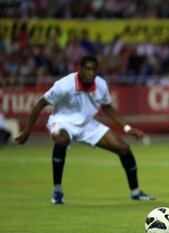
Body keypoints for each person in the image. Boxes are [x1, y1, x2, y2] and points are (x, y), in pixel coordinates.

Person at [15, 55, 155, 204]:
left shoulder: (101, 85)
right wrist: (26, 132)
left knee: (124, 148)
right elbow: (40, 104)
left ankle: (135, 192)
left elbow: (107, 108)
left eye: (94, 69)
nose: (91, 73)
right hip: (63, 122)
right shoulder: (64, 85)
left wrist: (127, 128)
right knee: (62, 140)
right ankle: (57, 190)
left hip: (88, 124)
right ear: (79, 69)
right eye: (87, 69)